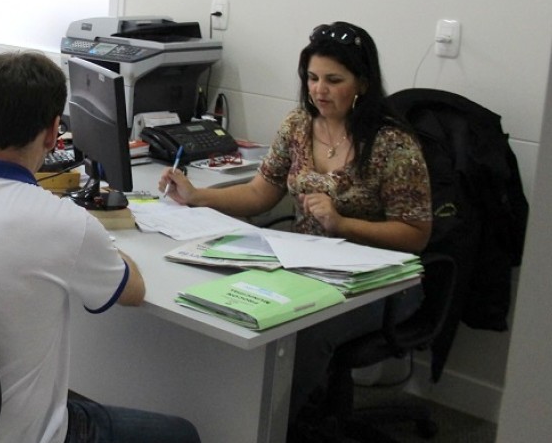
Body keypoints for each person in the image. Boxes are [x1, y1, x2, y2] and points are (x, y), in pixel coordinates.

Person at [0, 51, 201, 442]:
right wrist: (105, 241)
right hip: (22, 436)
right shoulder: (66, 225)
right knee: (181, 434)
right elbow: (134, 291)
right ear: (53, 132)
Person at [157, 21, 433, 431]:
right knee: (232, 305)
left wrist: (342, 223)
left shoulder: (392, 145)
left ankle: (277, 426)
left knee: (300, 333)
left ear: (362, 83)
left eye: (334, 80)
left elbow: (415, 236)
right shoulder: (299, 126)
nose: (319, 90)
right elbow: (259, 194)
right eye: (312, 78)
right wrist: (197, 196)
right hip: (304, 266)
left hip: (379, 281)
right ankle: (232, 420)